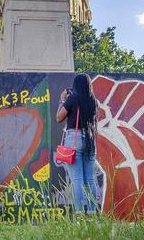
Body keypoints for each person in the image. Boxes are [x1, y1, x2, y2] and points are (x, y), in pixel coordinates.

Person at [57, 74, 99, 213]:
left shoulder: (73, 98)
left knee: (77, 179)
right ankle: (93, 212)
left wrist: (62, 100)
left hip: (74, 139)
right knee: (90, 179)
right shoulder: (93, 101)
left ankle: (80, 213)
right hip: (90, 140)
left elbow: (59, 117)